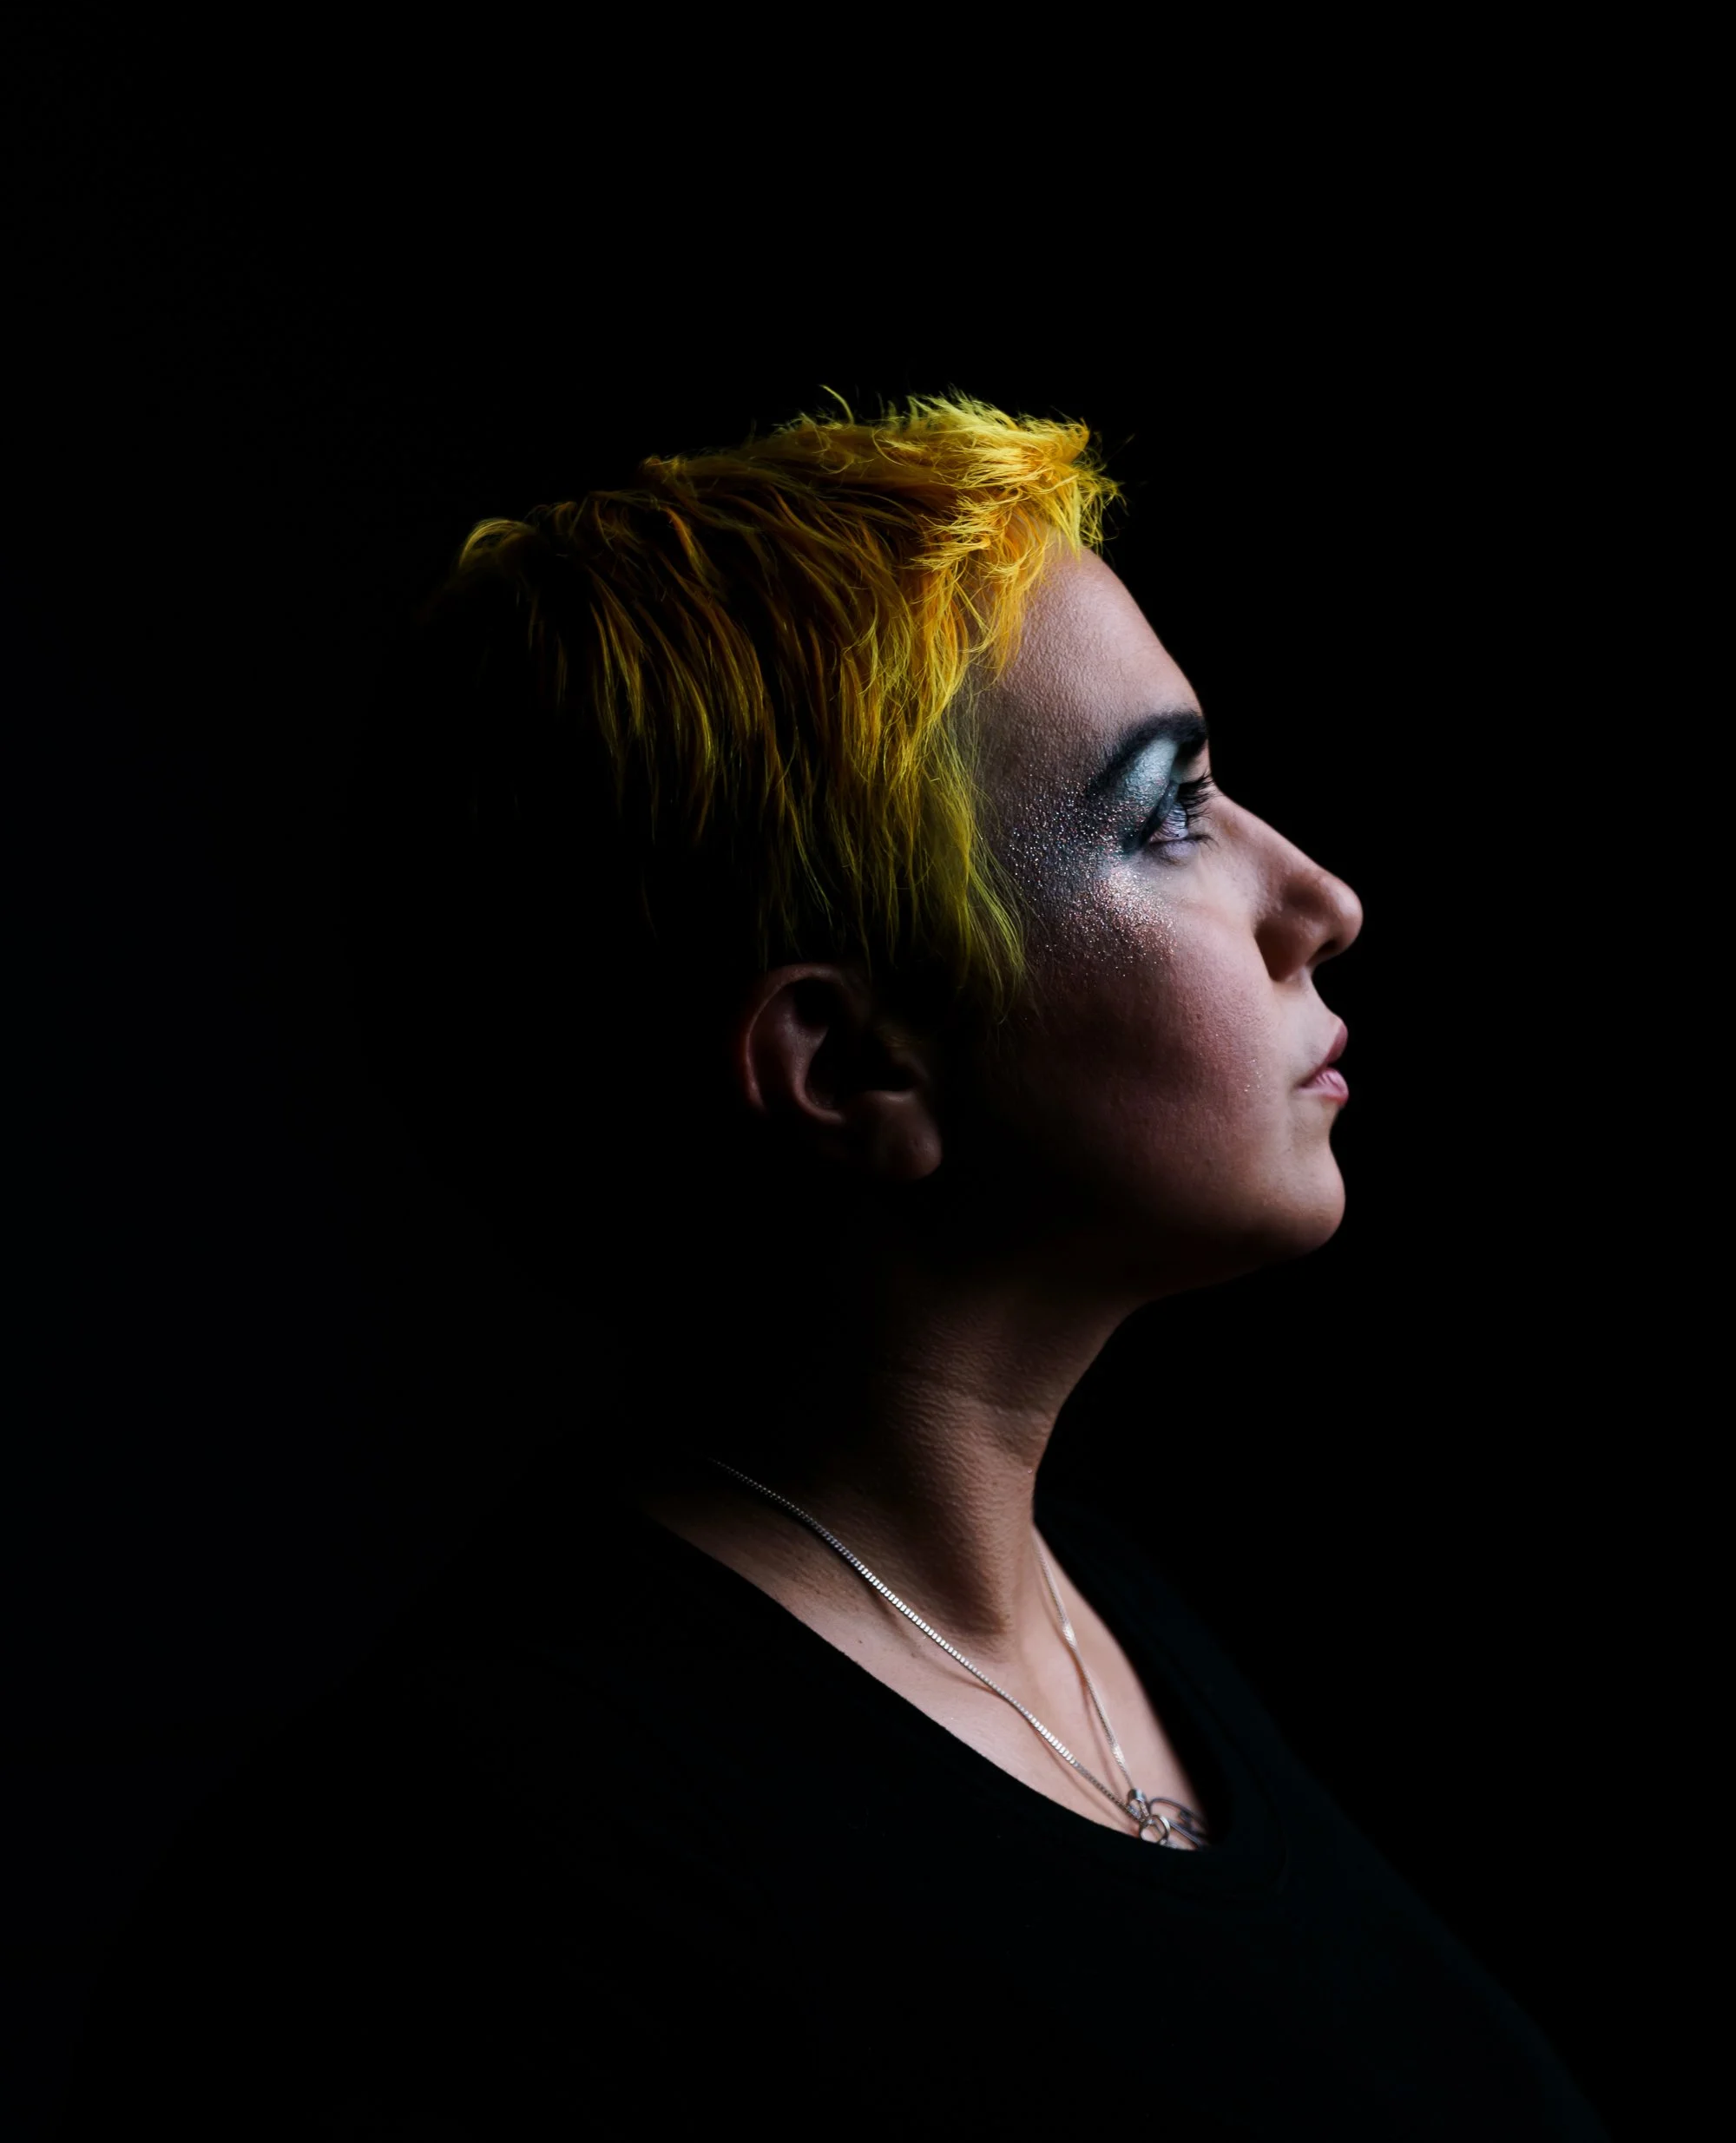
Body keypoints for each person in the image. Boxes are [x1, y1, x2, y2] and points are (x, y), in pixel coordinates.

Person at [56, 397, 1606, 2138]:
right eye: (1169, 811)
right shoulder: (473, 1887)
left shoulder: (1121, 1630)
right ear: (853, 1064)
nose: (1316, 895)